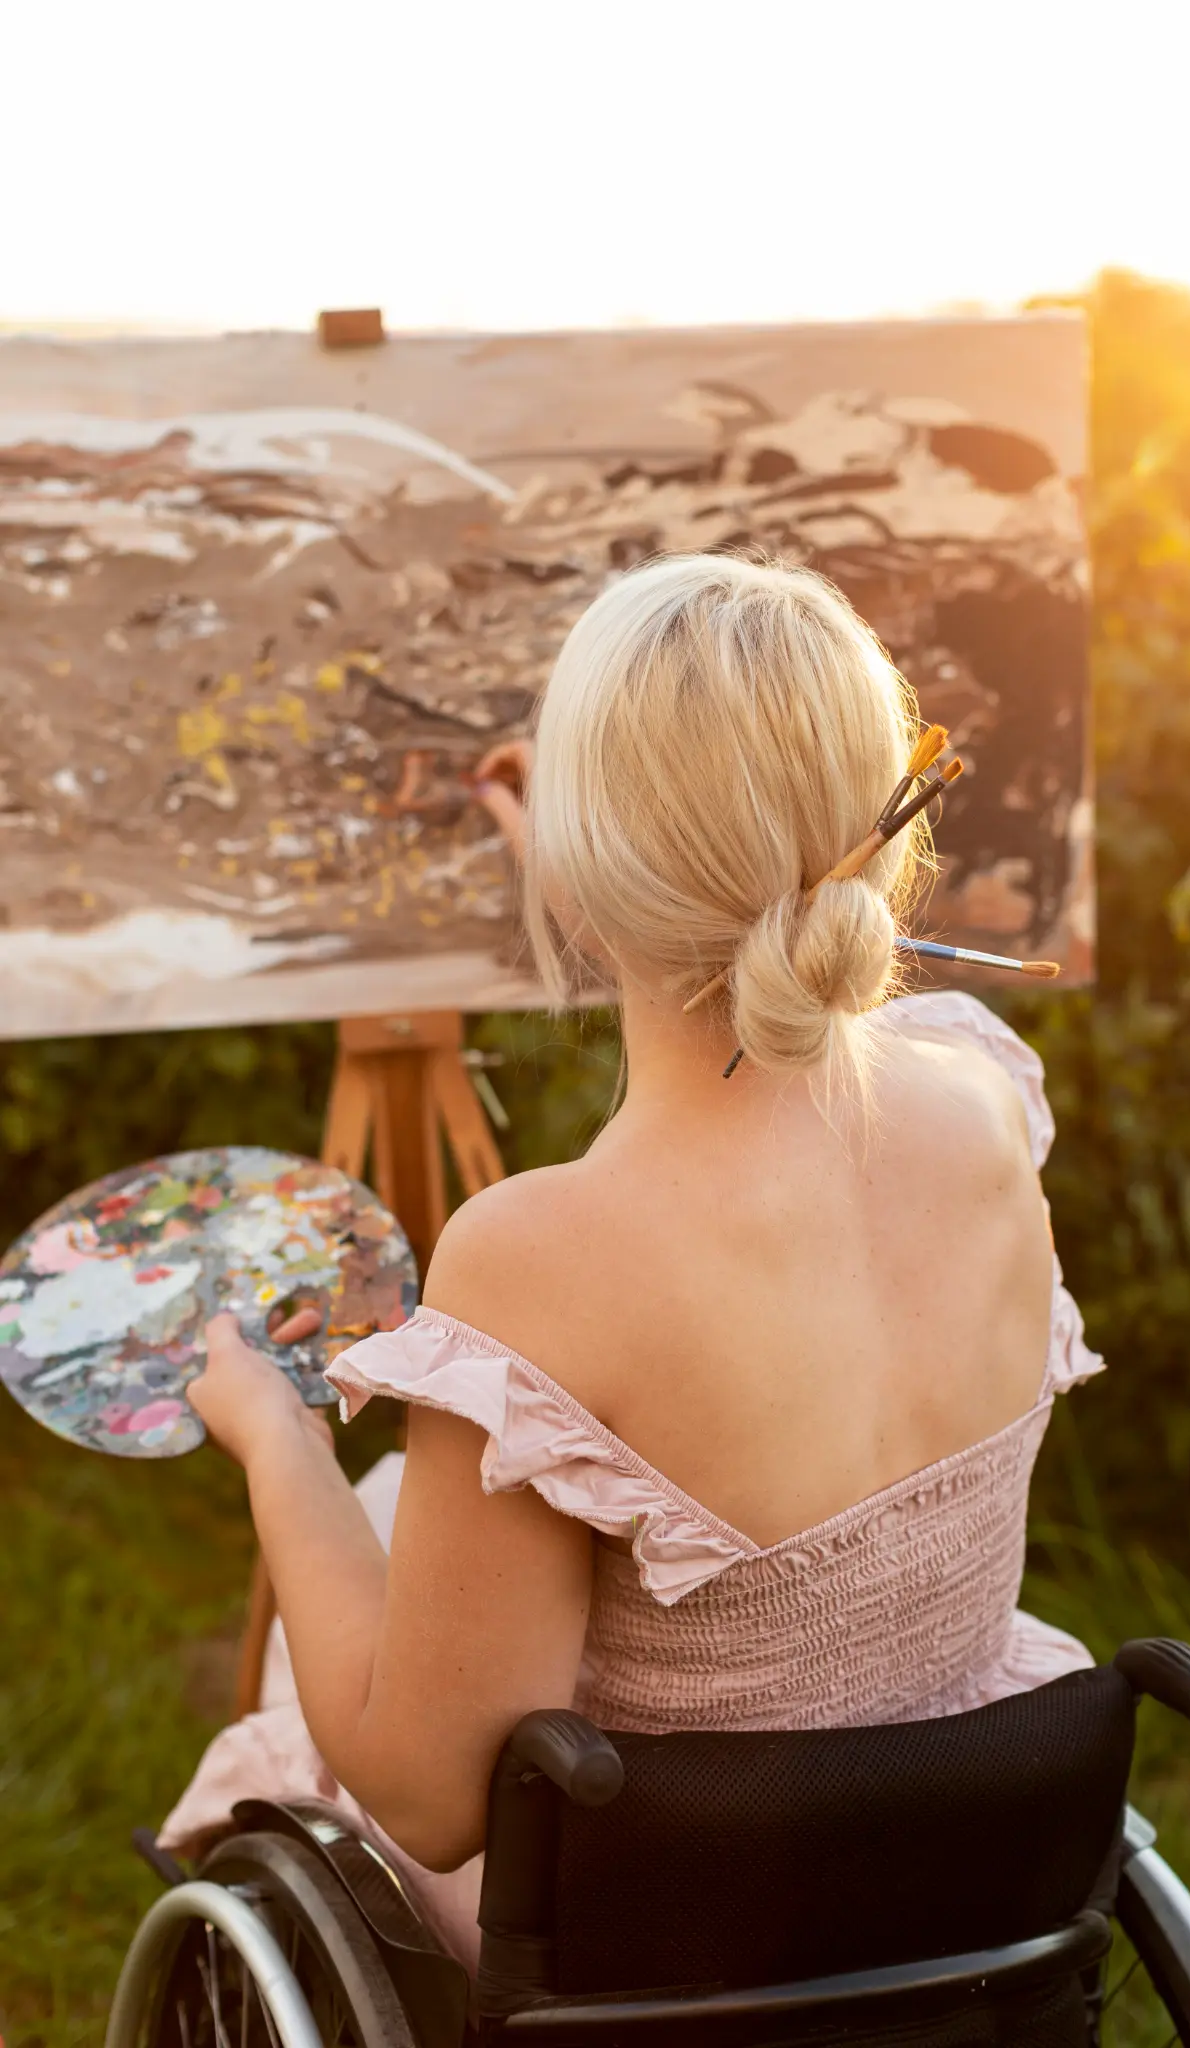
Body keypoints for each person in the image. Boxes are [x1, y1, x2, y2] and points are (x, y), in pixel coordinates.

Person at [163, 553, 1102, 1970]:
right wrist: (557, 837)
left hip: (677, 1937)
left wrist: (276, 1440)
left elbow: (429, 1800)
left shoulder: (540, 1263)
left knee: (355, 1530)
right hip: (962, 1882)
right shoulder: (981, 1095)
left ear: (587, 879)